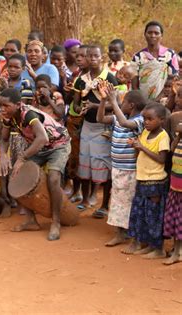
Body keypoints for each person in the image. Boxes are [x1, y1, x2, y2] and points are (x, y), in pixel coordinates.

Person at [0, 88, 71, 241]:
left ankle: (56, 222)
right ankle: (31, 220)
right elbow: (4, 139)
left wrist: (22, 158)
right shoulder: (8, 117)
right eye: (1, 105)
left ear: (18, 104)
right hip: (38, 147)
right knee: (17, 178)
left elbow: (43, 138)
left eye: (6, 105)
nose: (2, 109)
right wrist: (3, 155)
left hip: (58, 145)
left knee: (53, 178)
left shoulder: (29, 114)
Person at [96, 86, 145, 247]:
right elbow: (100, 119)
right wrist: (104, 100)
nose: (119, 103)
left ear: (131, 106)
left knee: (125, 201)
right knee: (118, 200)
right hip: (117, 167)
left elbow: (125, 123)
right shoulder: (119, 116)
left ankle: (125, 233)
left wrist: (112, 100)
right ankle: (122, 233)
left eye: (123, 102)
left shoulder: (139, 120)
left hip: (130, 169)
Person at [73, 46, 119, 216]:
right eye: (88, 56)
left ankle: (104, 205)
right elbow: (76, 103)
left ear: (101, 58)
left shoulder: (110, 78)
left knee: (103, 164)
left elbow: (116, 105)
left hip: (104, 127)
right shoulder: (81, 80)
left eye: (95, 56)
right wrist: (80, 109)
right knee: (84, 163)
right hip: (87, 126)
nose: (91, 59)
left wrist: (94, 105)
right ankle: (85, 199)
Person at [126, 102, 170, 259]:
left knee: (154, 215)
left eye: (150, 119)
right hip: (142, 178)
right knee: (142, 213)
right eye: (145, 119)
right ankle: (147, 244)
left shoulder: (163, 136)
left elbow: (161, 159)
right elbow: (141, 152)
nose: (146, 122)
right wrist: (135, 146)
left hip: (155, 181)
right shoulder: (145, 132)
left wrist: (142, 148)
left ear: (162, 120)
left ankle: (158, 249)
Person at [64, 45, 89, 203]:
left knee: (82, 158)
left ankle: (85, 194)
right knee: (72, 156)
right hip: (72, 120)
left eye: (83, 56)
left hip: (84, 121)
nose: (78, 58)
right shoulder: (76, 75)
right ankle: (75, 190)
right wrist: (69, 92)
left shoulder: (92, 78)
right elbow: (70, 102)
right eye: (77, 56)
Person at [132, 21, 179, 99]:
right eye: (149, 33)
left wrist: (159, 98)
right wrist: (142, 101)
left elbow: (173, 79)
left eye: (156, 33)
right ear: (145, 34)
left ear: (161, 36)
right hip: (143, 100)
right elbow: (134, 84)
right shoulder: (138, 56)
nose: (153, 35)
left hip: (165, 98)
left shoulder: (170, 54)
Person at [163, 121, 182, 265]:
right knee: (176, 220)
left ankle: (177, 253)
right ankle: (177, 251)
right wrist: (179, 135)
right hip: (175, 185)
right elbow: (172, 148)